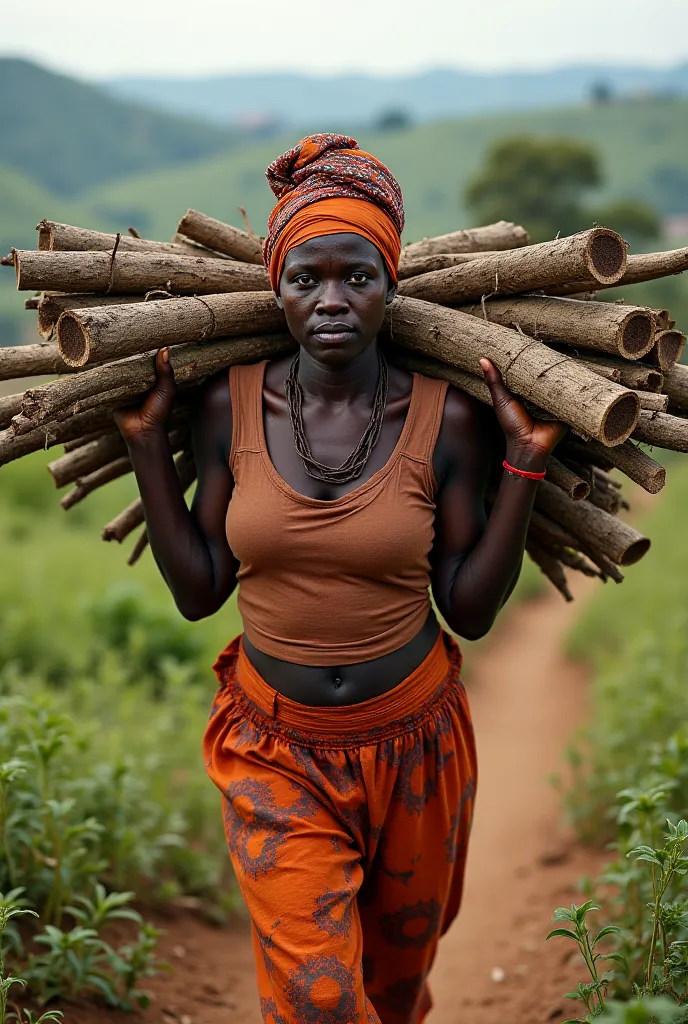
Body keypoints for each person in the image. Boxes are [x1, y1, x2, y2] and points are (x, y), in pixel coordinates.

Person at [115, 133, 566, 1024]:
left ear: (390, 286)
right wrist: (143, 449)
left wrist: (523, 465)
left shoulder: (448, 424)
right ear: (276, 288)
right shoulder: (226, 405)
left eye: (356, 276)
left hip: (417, 748)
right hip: (274, 751)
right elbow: (201, 588)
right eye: (305, 278)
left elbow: (469, 611)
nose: (330, 299)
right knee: (320, 999)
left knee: (394, 994)